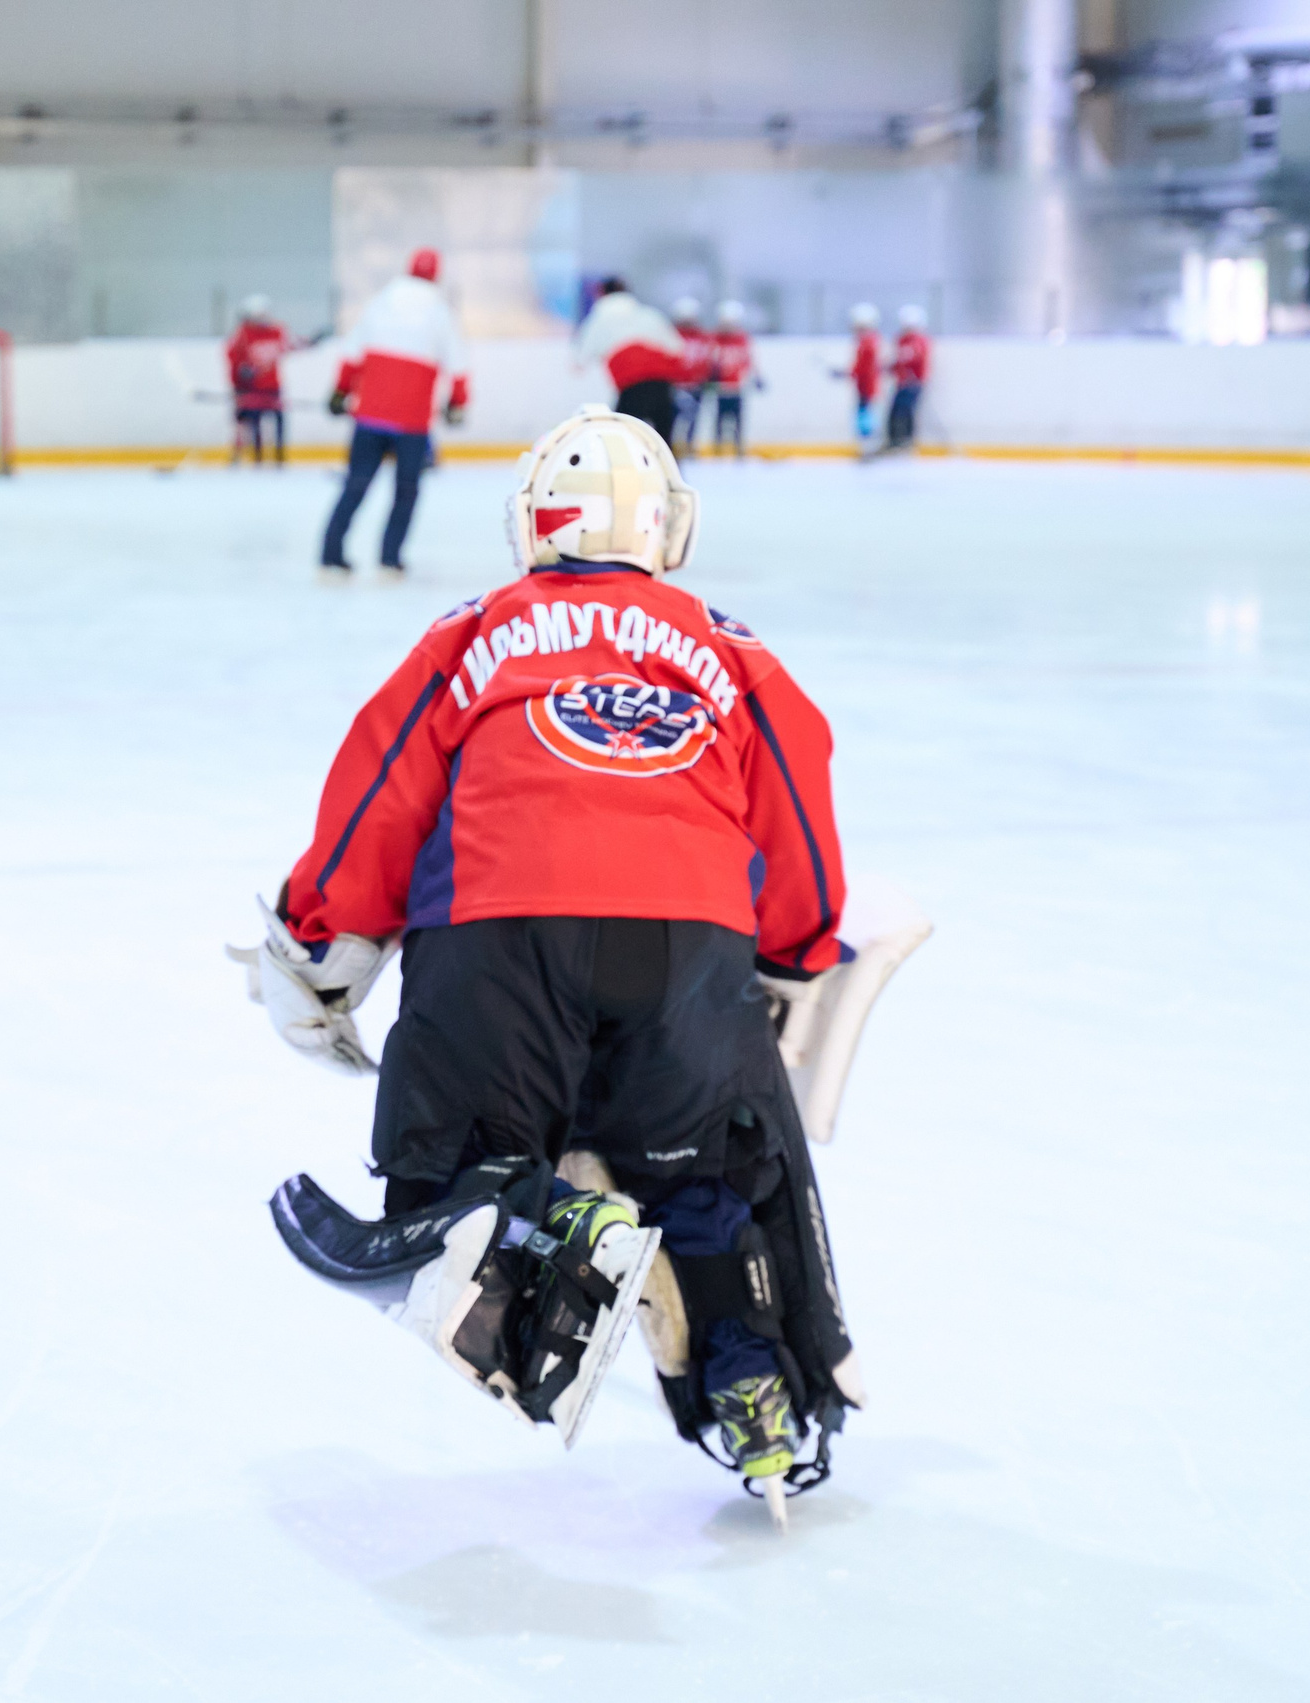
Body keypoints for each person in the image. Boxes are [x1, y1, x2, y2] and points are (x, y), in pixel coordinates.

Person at [246, 405, 867, 1511]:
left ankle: (546, 1213)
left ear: (534, 523)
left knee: (446, 1174)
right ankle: (752, 1381)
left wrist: (313, 929)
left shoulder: (468, 631)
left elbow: (373, 805)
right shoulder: (734, 650)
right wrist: (797, 945)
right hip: (689, 956)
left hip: (497, 945)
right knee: (709, 1172)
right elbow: (800, 817)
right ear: (663, 526)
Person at [321, 248, 468, 578]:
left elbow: (351, 354)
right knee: (405, 492)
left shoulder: (380, 303)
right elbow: (458, 365)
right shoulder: (440, 311)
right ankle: (390, 559)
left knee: (355, 486)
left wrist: (340, 391)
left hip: (370, 416)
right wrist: (457, 403)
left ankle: (331, 555)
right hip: (413, 423)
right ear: (435, 275)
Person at [576, 278, 696, 441]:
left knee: (620, 436)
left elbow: (579, 360)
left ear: (601, 293)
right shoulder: (650, 314)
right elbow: (677, 348)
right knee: (663, 442)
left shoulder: (598, 319)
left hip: (631, 385)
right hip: (662, 384)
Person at [226, 295, 296, 467]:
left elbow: (290, 345)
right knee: (253, 423)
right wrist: (239, 380)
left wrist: (312, 341)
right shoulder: (243, 333)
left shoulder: (277, 331)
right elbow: (233, 358)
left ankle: (280, 458)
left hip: (273, 386)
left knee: (279, 420)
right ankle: (258, 459)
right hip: (252, 388)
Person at [708, 300, 762, 460]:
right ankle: (718, 449)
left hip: (737, 388)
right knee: (719, 421)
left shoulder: (742, 339)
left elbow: (749, 360)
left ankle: (738, 449)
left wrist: (757, 377)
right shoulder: (715, 339)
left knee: (738, 422)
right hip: (720, 388)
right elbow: (710, 361)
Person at [668, 296, 712, 459]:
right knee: (672, 419)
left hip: (695, 385)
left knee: (693, 419)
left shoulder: (702, 337)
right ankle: (671, 447)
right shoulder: (670, 334)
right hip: (674, 385)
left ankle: (689, 445)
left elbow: (706, 360)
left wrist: (706, 378)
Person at [888, 305, 931, 452]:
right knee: (895, 411)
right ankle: (894, 441)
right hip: (902, 382)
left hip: (913, 383)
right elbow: (898, 360)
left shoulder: (919, 340)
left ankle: (906, 441)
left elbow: (915, 357)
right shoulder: (901, 340)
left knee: (906, 411)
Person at [845, 304, 883, 457]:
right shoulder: (865, 341)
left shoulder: (868, 342)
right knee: (864, 417)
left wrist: (849, 373)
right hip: (864, 386)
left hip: (867, 386)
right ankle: (867, 448)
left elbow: (864, 367)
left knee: (866, 418)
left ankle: (869, 449)